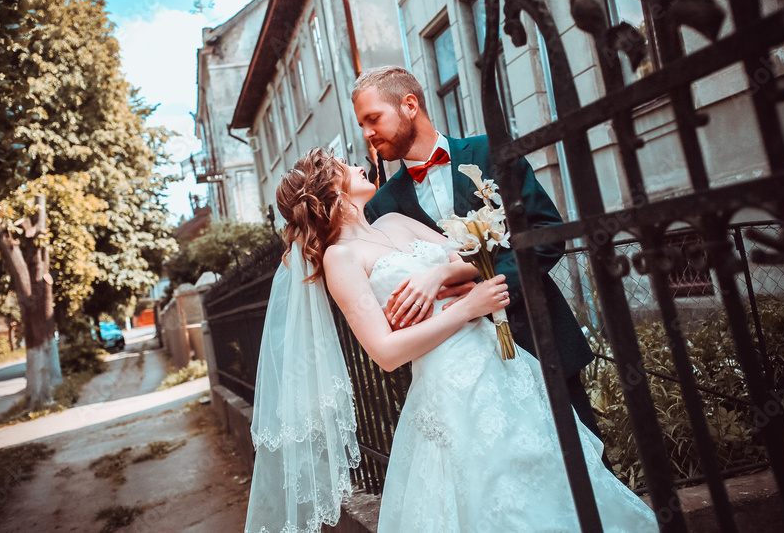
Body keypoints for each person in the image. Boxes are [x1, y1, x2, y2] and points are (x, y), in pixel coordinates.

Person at [243, 148, 657, 533]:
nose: (358, 164)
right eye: (344, 165)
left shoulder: (394, 221)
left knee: (548, 469)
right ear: (332, 188)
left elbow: (472, 258)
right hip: (450, 385)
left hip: (502, 364)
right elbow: (385, 352)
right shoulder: (340, 258)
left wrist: (437, 275)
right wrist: (466, 307)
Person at [353, 65, 602, 440]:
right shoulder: (382, 205)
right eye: (362, 125)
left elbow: (546, 232)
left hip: (539, 338)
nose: (368, 134)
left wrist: (488, 287)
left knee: (587, 469)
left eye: (373, 119)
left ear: (409, 105)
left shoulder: (491, 153)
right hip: (463, 374)